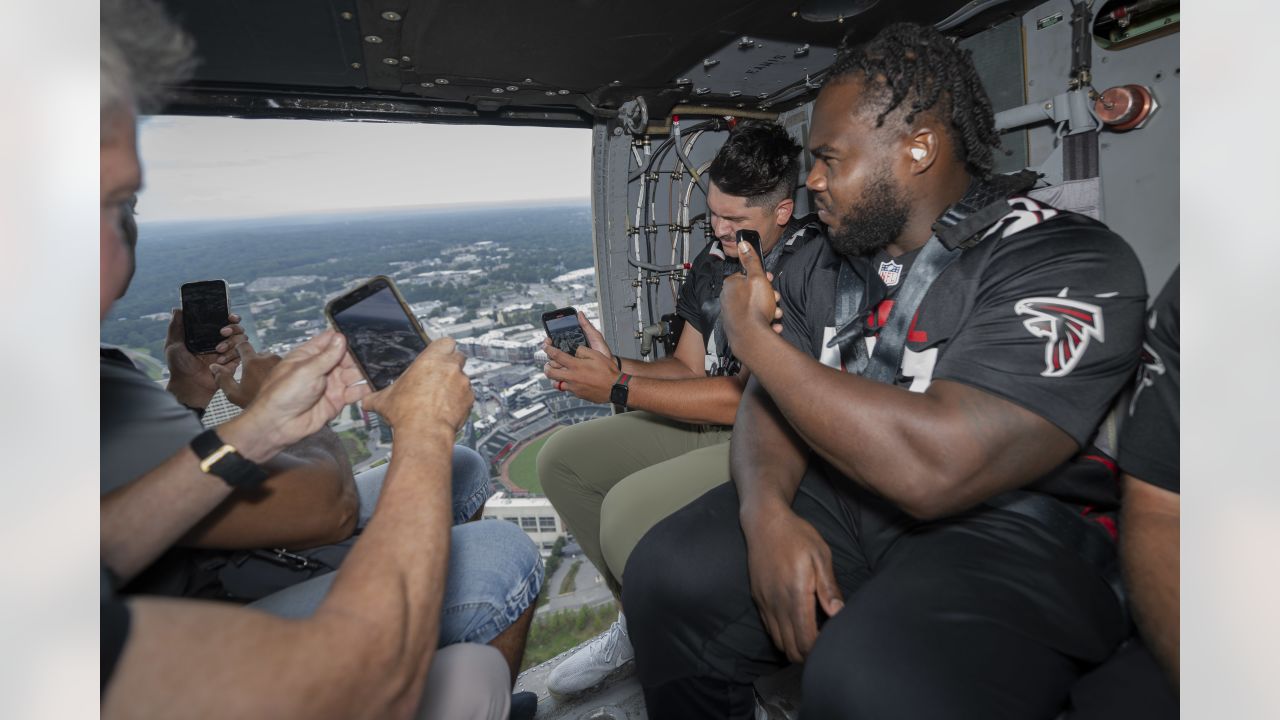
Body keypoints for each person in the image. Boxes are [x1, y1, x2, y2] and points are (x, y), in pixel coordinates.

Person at [623, 23, 1149, 718]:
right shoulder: (819, 263)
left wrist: (755, 342)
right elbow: (766, 407)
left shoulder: (1067, 262)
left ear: (918, 148)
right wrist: (765, 514)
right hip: (847, 493)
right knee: (666, 573)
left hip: (1021, 526)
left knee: (868, 677)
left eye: (828, 160)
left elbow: (939, 467)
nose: (810, 181)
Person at [100, 2, 539, 717]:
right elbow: (329, 518)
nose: (112, 267)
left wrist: (247, 419)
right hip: (214, 588)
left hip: (184, 576)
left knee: (461, 471)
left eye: (121, 212)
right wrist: (414, 430)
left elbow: (97, 539)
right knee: (502, 557)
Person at [536, 120, 823, 696]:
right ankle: (640, 624)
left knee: (624, 511)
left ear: (783, 212)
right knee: (560, 459)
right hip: (711, 415)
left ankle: (700, 644)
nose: (717, 230)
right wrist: (609, 363)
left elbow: (745, 395)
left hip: (769, 440)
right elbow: (688, 370)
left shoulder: (810, 267)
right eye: (711, 214)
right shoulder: (715, 260)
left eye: (734, 221)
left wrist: (618, 388)